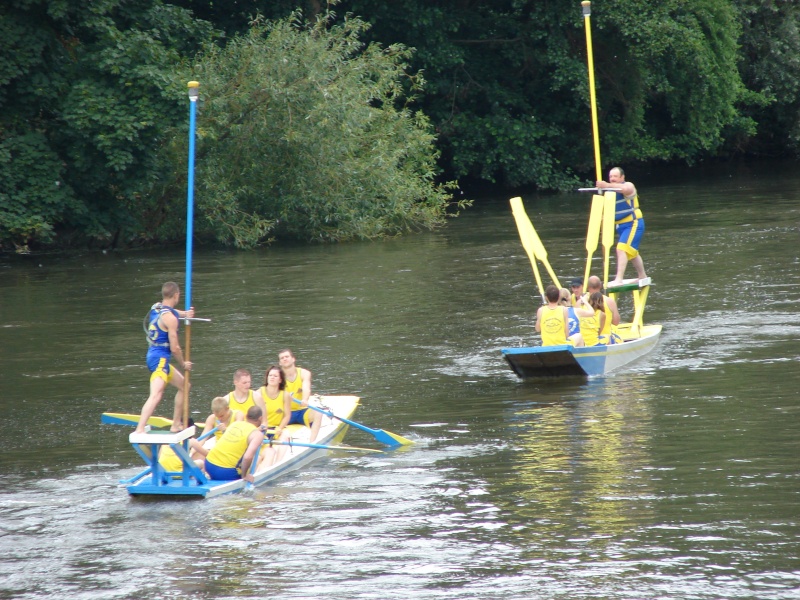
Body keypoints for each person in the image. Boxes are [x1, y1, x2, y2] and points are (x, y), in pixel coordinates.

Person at [135, 282, 194, 434]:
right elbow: (175, 348)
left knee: (185, 386)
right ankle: (140, 428)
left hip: (155, 356)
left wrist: (185, 314)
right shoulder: (171, 320)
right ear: (176, 295)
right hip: (160, 360)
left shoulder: (156, 307)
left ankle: (175, 424)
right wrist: (183, 364)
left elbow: (171, 311)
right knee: (156, 395)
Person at [595, 167, 647, 286]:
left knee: (621, 248)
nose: (612, 179)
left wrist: (606, 185)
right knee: (632, 252)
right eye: (611, 177)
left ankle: (619, 278)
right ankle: (642, 275)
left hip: (633, 223)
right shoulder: (609, 192)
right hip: (621, 226)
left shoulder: (628, 186)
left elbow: (623, 189)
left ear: (622, 177)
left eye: (615, 176)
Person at [204, 406, 265, 483]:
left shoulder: (235, 424)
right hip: (226, 472)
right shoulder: (258, 435)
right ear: (260, 418)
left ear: (246, 416)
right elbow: (247, 457)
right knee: (258, 459)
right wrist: (244, 476)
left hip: (208, 464)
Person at [253, 365, 294, 468]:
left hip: (277, 429)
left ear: (280, 380)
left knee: (286, 435)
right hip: (263, 427)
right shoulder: (258, 393)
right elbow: (254, 414)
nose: (272, 377)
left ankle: (277, 464)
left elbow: (287, 416)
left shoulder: (285, 395)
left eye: (275, 376)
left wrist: (280, 428)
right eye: (270, 375)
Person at [278, 349, 321, 442]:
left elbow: (306, 387)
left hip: (302, 411)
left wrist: (305, 399)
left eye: (287, 357)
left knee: (318, 413)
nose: (285, 359)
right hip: (285, 413)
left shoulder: (304, 373)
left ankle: (311, 443)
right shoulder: (277, 377)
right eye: (282, 358)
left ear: (293, 359)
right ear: (280, 363)